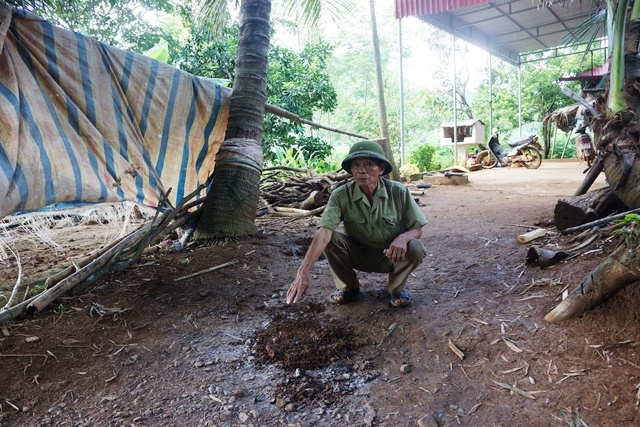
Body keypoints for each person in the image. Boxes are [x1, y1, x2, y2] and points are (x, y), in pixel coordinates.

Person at [286, 140, 428, 307]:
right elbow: (324, 231)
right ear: (351, 170)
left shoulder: (399, 191)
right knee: (329, 238)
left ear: (381, 169)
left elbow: (417, 229)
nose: (361, 170)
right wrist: (303, 271)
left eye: (369, 164)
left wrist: (404, 237)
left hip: (391, 255)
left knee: (416, 247)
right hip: (357, 254)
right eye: (356, 165)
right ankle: (348, 288)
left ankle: (396, 289)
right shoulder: (340, 195)